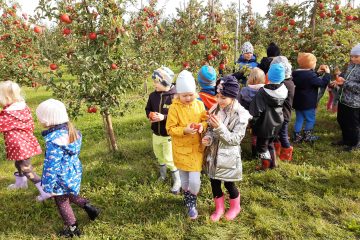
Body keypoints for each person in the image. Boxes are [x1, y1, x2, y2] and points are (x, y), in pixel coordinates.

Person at [36, 99, 100, 238]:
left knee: (62, 202)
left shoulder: (54, 140)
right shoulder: (71, 131)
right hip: (72, 173)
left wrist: (47, 186)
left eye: (40, 118)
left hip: (60, 176)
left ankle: (72, 228)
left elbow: (51, 166)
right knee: (69, 194)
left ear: (47, 121)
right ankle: (89, 207)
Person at [202, 75, 251, 222]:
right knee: (214, 182)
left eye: (223, 97)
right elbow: (210, 129)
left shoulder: (240, 115)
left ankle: (235, 207)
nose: (219, 100)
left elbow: (235, 140)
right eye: (217, 96)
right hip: (213, 154)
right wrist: (208, 138)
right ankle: (219, 208)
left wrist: (220, 127)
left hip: (228, 156)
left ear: (232, 96)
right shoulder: (216, 109)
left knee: (229, 183)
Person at [166, 70, 207, 219]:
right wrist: (184, 130)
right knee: (184, 181)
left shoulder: (199, 105)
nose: (188, 98)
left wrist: (202, 126)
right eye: (184, 95)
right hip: (181, 149)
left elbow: (205, 120)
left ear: (194, 92)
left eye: (190, 94)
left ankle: (192, 199)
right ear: (178, 94)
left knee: (195, 181)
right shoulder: (174, 108)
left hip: (196, 149)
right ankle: (188, 199)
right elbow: (170, 128)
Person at [0, 80, 50, 201]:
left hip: (19, 146)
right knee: (19, 164)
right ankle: (21, 183)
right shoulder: (23, 107)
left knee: (26, 169)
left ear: (5, 97)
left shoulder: (8, 114)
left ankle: (44, 191)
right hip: (26, 142)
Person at [145, 66, 181, 194]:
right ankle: (163, 175)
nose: (154, 84)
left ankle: (177, 181)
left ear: (165, 81)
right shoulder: (153, 96)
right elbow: (147, 109)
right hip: (156, 133)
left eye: (156, 82)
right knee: (159, 155)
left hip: (168, 134)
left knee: (169, 158)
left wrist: (164, 117)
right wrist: (150, 115)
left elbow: (178, 116)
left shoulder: (174, 97)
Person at [249, 63, 288, 170]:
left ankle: (265, 165)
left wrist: (253, 122)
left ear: (268, 76)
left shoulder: (263, 92)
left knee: (262, 146)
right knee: (270, 142)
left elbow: (256, 110)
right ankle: (274, 163)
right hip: (278, 121)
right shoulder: (284, 90)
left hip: (265, 123)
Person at [292, 53, 331, 143]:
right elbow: (321, 83)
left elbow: (307, 78)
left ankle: (297, 137)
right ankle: (307, 136)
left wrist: (317, 73)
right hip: (308, 103)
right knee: (310, 119)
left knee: (299, 119)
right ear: (311, 64)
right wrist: (327, 74)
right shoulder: (310, 76)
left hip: (298, 102)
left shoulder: (295, 73)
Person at [333, 43, 360, 151]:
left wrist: (344, 83)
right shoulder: (351, 65)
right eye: (352, 56)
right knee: (342, 120)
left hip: (355, 103)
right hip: (343, 99)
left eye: (356, 56)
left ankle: (355, 144)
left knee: (354, 124)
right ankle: (346, 139)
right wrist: (339, 79)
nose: (353, 59)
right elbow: (345, 76)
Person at [270, 57, 295, 161]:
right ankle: (277, 150)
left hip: (283, 115)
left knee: (283, 135)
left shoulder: (284, 85)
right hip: (283, 114)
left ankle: (286, 153)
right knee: (277, 133)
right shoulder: (290, 82)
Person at [238, 67, 265, 157]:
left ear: (250, 78)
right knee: (255, 135)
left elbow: (239, 103)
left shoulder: (244, 90)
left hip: (246, 116)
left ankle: (238, 147)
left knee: (241, 132)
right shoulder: (264, 91)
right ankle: (255, 153)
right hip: (260, 117)